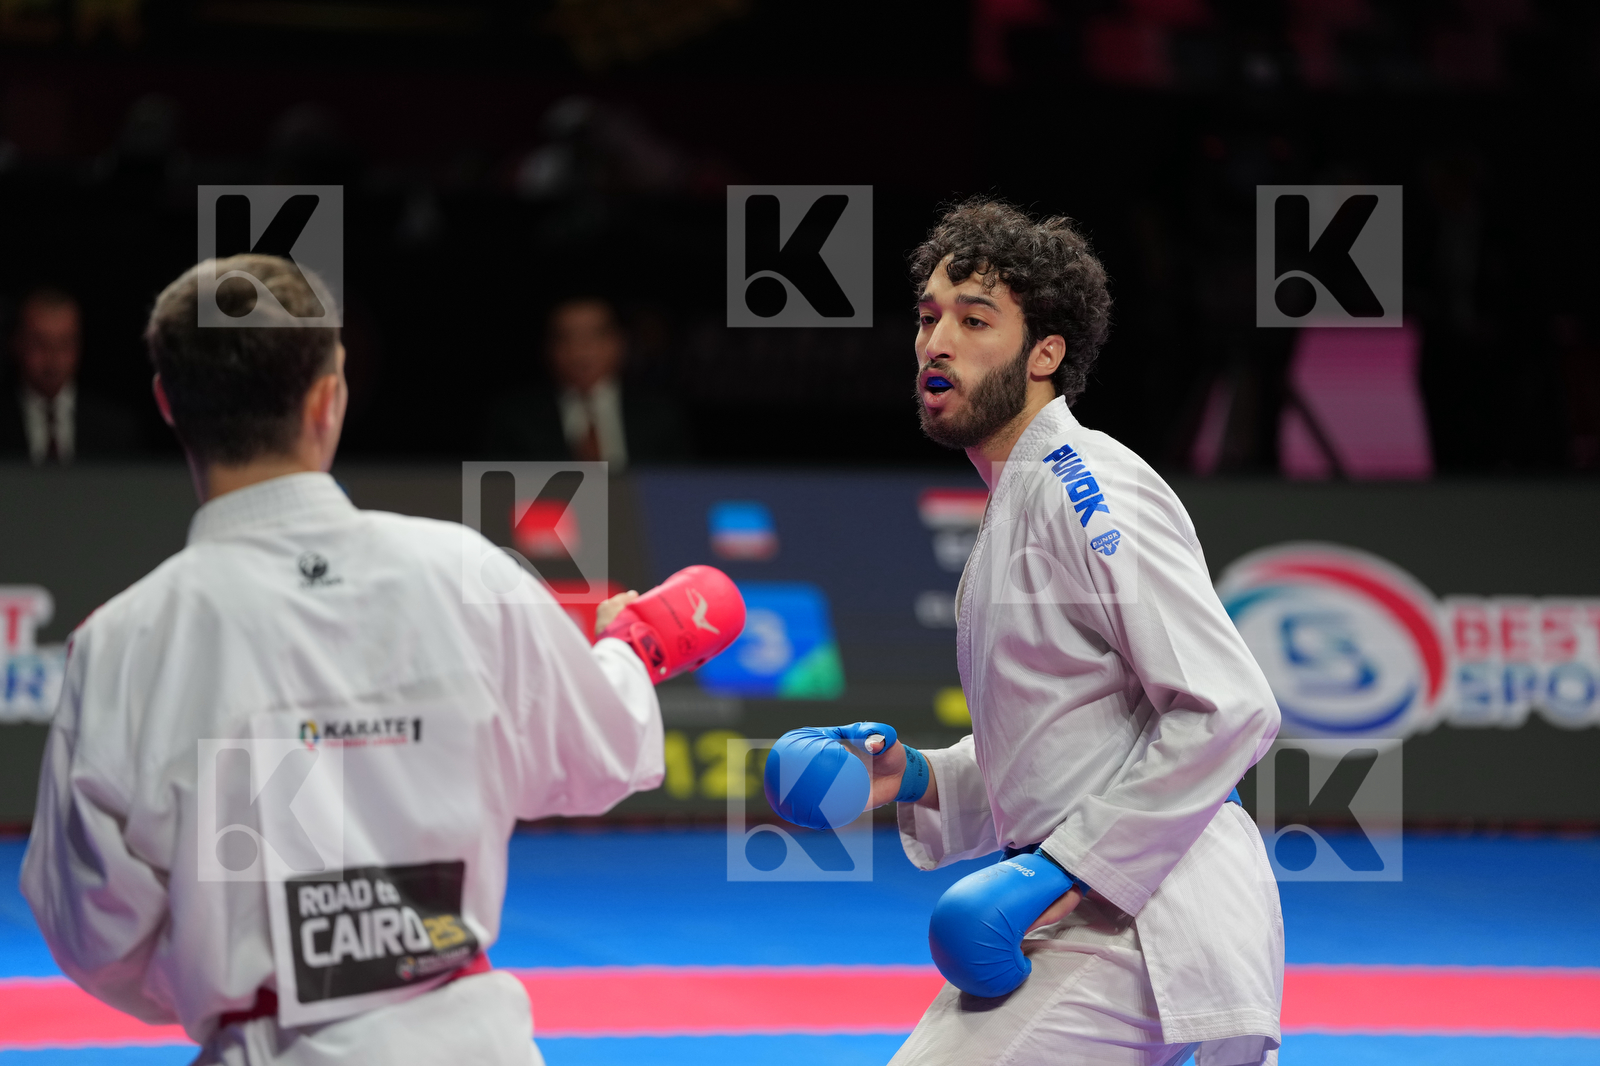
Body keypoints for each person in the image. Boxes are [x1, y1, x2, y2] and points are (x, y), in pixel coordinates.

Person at [20, 254, 741, 1065]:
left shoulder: (122, 643)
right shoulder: (464, 572)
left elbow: (90, 931)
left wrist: (237, 976)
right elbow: (600, 750)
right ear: (330, 399)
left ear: (167, 406)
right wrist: (631, 649)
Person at [772, 199, 1284, 1065]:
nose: (938, 343)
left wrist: (1062, 869)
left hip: (1141, 919)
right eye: (930, 318)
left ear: (1045, 354)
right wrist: (916, 777)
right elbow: (1070, 744)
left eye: (976, 322)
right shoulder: (1024, 498)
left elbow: (1230, 709)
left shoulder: (1089, 489)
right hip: (1098, 909)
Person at [481, 296, 688, 470]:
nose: (581, 351)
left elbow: (685, 486)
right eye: (567, 338)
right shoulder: (516, 417)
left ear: (620, 343)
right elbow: (500, 492)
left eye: (595, 336)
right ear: (549, 349)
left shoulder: (660, 414)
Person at [2, 287, 139, 463]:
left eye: (64, 343)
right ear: (16, 343)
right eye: (40, 343)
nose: (53, 357)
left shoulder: (115, 430)